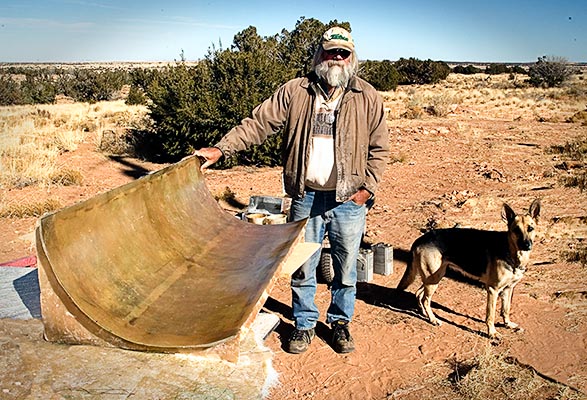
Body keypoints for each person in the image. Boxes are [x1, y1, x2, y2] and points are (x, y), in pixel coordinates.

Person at [194, 26, 389, 354]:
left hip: (348, 199)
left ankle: (340, 323)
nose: (337, 59)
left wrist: (367, 188)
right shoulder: (296, 91)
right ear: (320, 55)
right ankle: (304, 323)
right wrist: (220, 149)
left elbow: (380, 148)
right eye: (331, 52)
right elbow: (258, 124)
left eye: (344, 53)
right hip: (306, 195)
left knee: (345, 266)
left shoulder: (367, 96)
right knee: (303, 263)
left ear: (352, 57)